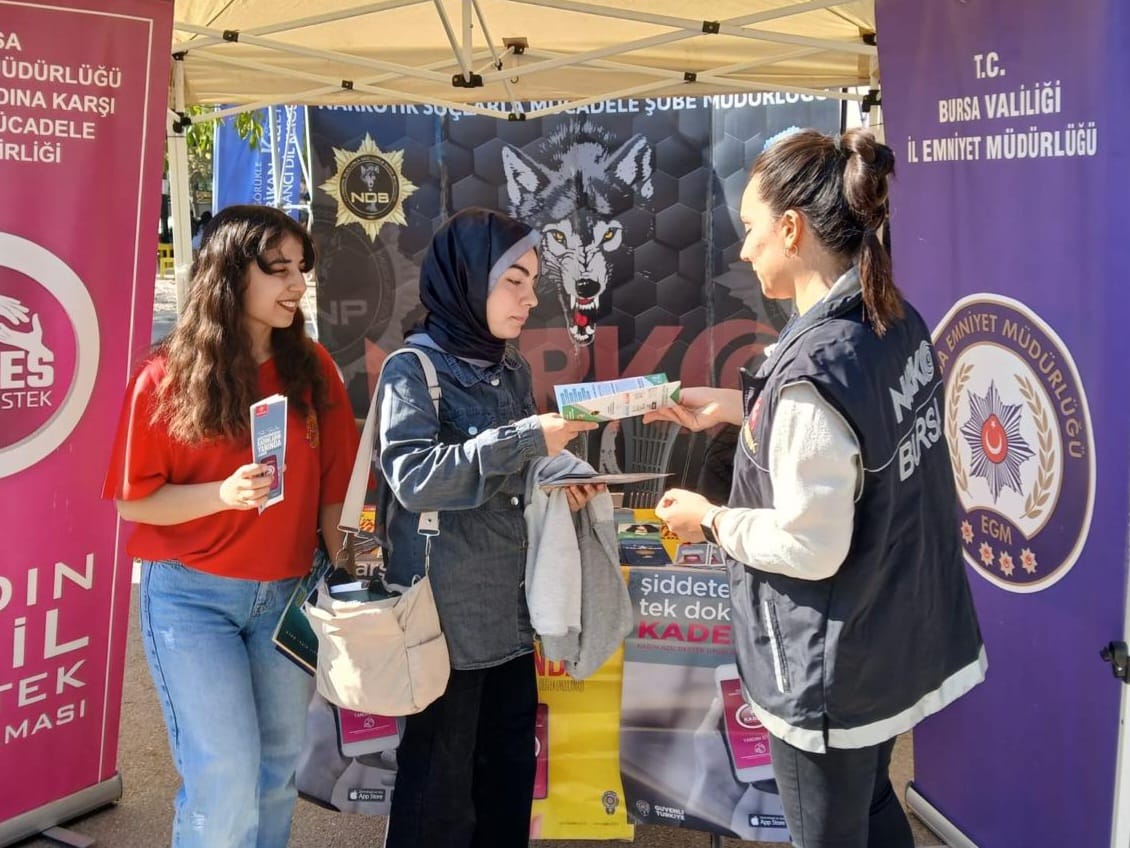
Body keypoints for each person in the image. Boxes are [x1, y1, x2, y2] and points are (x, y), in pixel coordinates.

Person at [649, 128, 986, 848]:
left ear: (792, 228)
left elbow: (809, 543)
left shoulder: (816, 371)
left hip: (830, 663)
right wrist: (741, 406)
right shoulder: (891, 320)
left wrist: (710, 520)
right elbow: (860, 438)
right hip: (887, 635)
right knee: (867, 807)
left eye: (750, 229)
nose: (744, 250)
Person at [103, 204, 360, 848]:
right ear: (227, 275)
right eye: (277, 269)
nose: (297, 284)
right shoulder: (163, 376)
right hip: (191, 598)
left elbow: (336, 495)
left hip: (289, 599)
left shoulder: (314, 368)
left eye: (302, 267)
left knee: (275, 776)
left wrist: (355, 581)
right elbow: (135, 503)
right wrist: (220, 494)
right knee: (224, 778)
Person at [377, 208, 601, 848]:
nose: (532, 298)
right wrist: (527, 438)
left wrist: (559, 485)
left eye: (534, 282)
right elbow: (416, 478)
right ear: (468, 280)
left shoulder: (511, 368)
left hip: (509, 611)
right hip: (443, 623)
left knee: (506, 781)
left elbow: (512, 479)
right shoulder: (412, 372)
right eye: (516, 281)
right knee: (438, 797)